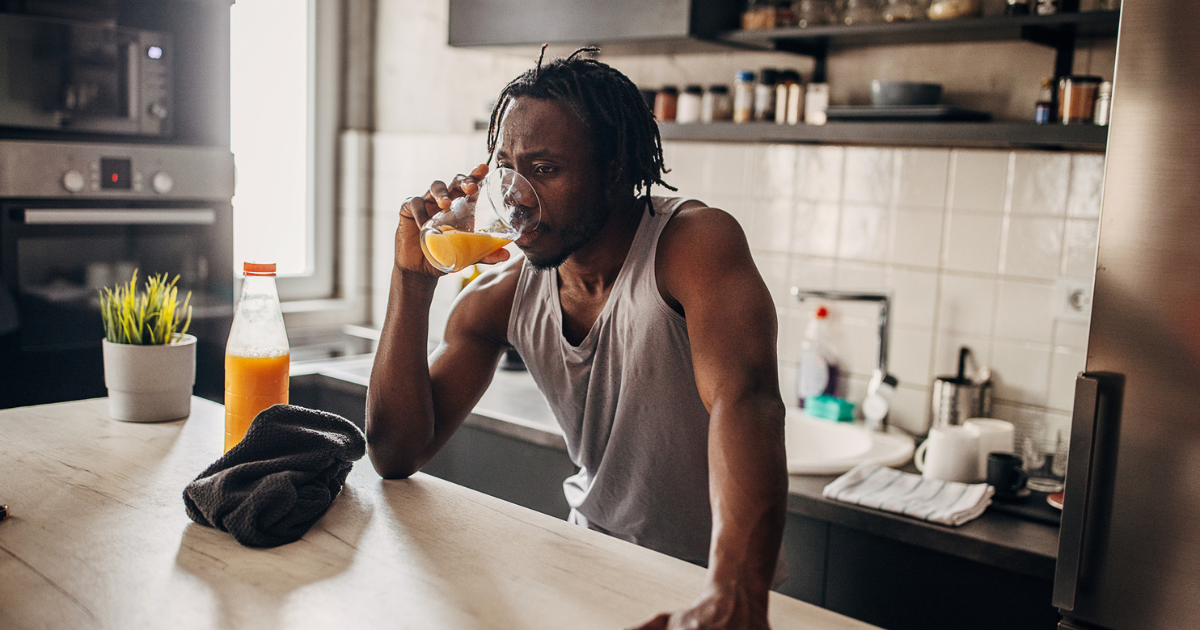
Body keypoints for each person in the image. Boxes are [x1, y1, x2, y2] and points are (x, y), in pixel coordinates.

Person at [366, 48, 788, 630]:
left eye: (544, 169)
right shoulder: (504, 293)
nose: (516, 194)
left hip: (711, 589)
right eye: (508, 166)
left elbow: (749, 400)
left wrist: (735, 592)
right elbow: (395, 452)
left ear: (613, 168)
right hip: (588, 565)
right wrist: (411, 284)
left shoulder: (693, 245)